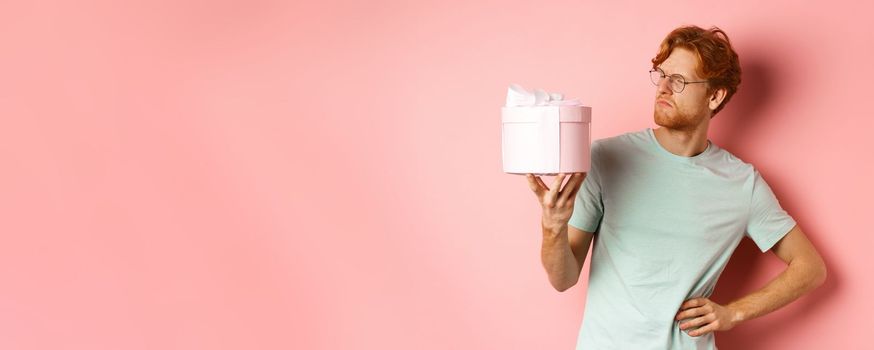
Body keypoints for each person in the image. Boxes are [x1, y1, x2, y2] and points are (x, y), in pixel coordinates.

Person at [526, 25, 827, 349]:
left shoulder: (742, 184)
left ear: (714, 96)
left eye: (679, 80)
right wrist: (552, 227)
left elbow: (810, 268)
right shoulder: (606, 158)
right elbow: (562, 279)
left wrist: (733, 313)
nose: (664, 88)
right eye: (661, 74)